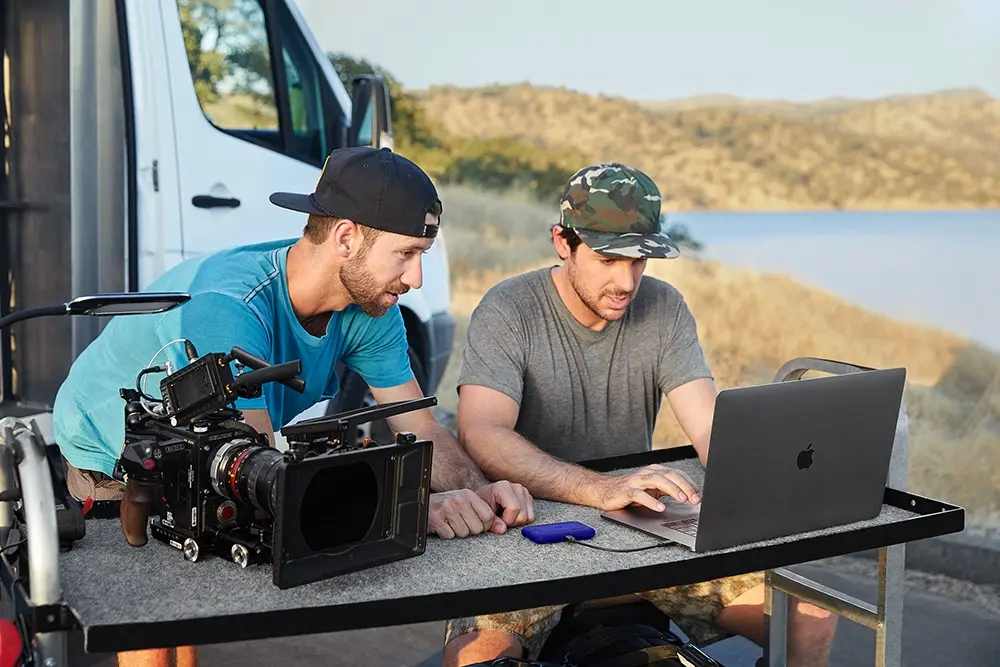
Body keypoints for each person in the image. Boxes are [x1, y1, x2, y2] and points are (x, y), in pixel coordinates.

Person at [51, 146, 534, 667]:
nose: (416, 278)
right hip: (113, 441)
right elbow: (258, 473)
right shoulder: (232, 308)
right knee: (156, 609)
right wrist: (410, 510)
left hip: (215, 442)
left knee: (187, 598)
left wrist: (484, 495)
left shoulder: (369, 306)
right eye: (406, 253)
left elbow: (420, 428)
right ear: (346, 237)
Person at [442, 163, 838, 667]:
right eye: (608, 259)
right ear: (563, 242)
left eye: (639, 261)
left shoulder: (666, 308)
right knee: (477, 657)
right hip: (530, 537)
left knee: (811, 620)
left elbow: (711, 429)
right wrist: (600, 489)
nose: (625, 281)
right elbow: (481, 432)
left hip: (643, 534)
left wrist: (775, 481)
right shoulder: (509, 309)